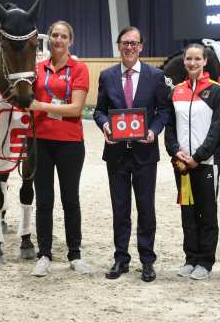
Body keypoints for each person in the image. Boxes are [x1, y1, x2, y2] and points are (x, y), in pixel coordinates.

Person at [94, 26, 170, 282]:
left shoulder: (155, 75)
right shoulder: (107, 76)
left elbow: (164, 111)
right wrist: (105, 125)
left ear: (141, 46)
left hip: (145, 153)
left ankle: (147, 261)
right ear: (119, 45)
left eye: (134, 43)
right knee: (120, 208)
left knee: (146, 208)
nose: (129, 47)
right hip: (116, 153)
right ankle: (120, 259)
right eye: (125, 43)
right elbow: (99, 111)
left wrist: (153, 130)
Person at [28, 21, 91, 277]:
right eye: (54, 35)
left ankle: (74, 254)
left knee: (70, 200)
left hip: (70, 143)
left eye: (64, 36)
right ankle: (44, 254)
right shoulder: (36, 69)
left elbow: (76, 109)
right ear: (49, 39)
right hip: (40, 141)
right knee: (43, 201)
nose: (58, 40)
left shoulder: (79, 69)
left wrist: (40, 106)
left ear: (70, 41)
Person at [165, 43, 220, 280]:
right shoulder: (176, 91)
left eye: (197, 59)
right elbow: (169, 127)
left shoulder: (216, 90)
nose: (192, 63)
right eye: (189, 59)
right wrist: (175, 151)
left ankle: (206, 261)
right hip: (181, 164)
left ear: (205, 61)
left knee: (207, 213)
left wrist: (198, 157)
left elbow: (216, 128)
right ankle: (190, 258)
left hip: (206, 163)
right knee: (187, 212)